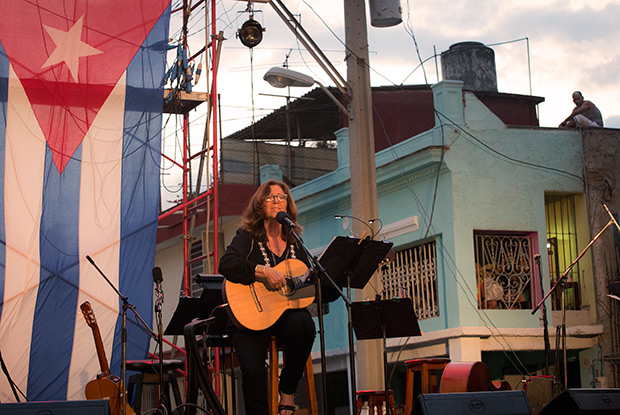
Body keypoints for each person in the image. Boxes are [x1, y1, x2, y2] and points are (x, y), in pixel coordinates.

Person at [219, 179, 316, 415]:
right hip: (248, 319)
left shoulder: (294, 242)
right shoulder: (247, 236)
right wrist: (261, 272)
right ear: (260, 204)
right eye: (270, 197)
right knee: (253, 373)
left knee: (305, 325)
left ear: (288, 204)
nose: (276, 201)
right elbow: (227, 264)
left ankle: (288, 392)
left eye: (281, 197)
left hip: (282, 317)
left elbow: (308, 285)